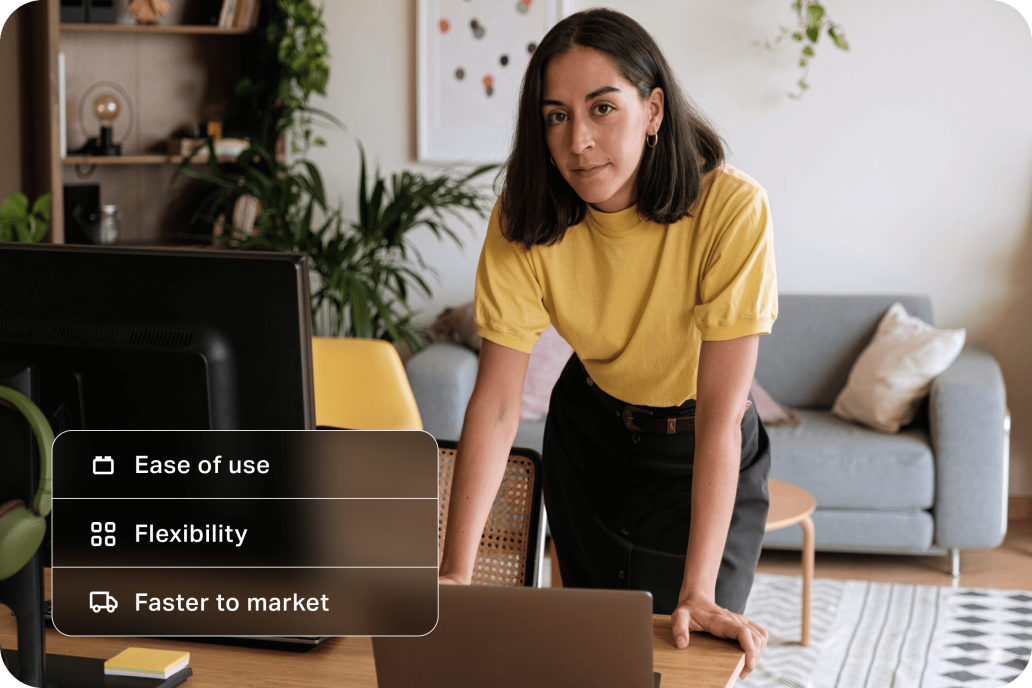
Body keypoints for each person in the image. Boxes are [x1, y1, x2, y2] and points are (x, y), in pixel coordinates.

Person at [437, 7, 775, 679]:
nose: (578, 140)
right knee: (590, 657)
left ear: (653, 111)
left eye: (602, 108)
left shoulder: (731, 210)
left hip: (699, 444)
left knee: (691, 653)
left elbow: (719, 415)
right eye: (557, 115)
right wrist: (455, 572)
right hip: (589, 435)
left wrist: (699, 591)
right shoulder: (524, 218)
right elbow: (499, 403)